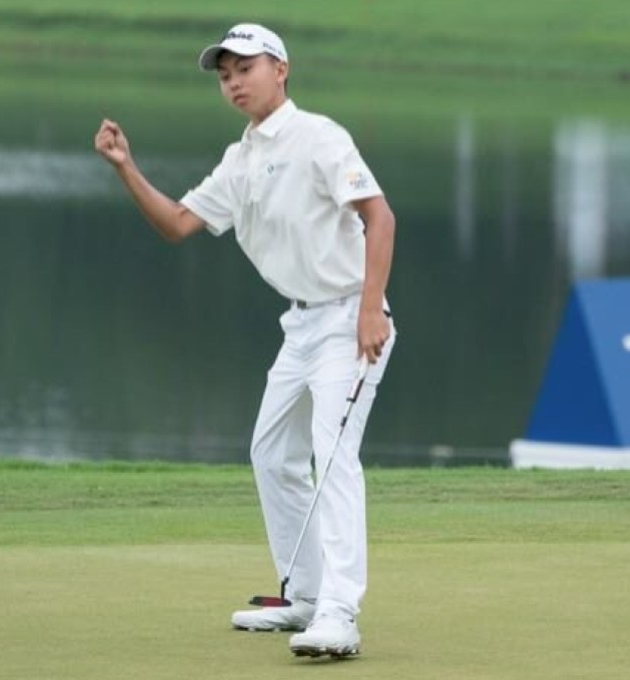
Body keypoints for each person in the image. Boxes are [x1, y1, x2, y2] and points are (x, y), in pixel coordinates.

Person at [93, 23, 396, 659]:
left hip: (350, 319)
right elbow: (178, 223)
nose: (233, 81)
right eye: (225, 74)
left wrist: (371, 310)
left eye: (245, 68)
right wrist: (127, 168)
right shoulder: (242, 158)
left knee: (331, 457)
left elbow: (379, 216)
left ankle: (341, 615)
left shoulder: (319, 136)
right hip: (302, 324)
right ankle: (306, 596)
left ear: (280, 70)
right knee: (271, 453)